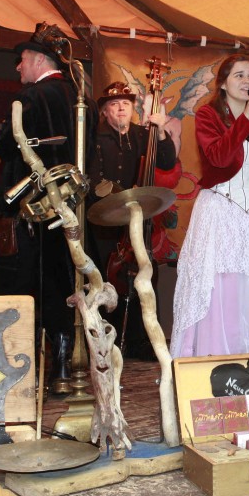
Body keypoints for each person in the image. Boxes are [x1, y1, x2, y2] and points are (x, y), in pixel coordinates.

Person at [170, 54, 249, 358]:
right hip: (219, 210)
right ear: (223, 83)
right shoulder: (208, 115)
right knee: (218, 287)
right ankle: (212, 358)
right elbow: (219, 158)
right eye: (239, 75)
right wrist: (245, 117)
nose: (247, 81)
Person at [0, 30, 90, 384]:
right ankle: (63, 368)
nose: (18, 67)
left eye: (22, 60)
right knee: (64, 281)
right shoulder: (83, 100)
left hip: (33, 209)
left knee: (29, 284)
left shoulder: (31, 96)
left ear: (38, 60)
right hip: (72, 208)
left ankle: (28, 370)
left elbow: (5, 143)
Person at [87, 80, 176, 358]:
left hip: (137, 220)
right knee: (106, 277)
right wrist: (117, 198)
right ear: (105, 111)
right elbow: (92, 179)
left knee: (143, 275)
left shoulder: (142, 134)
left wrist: (161, 130)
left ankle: (141, 340)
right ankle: (106, 340)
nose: (120, 108)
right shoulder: (94, 138)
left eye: (125, 103)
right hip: (105, 219)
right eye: (114, 104)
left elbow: (167, 161)